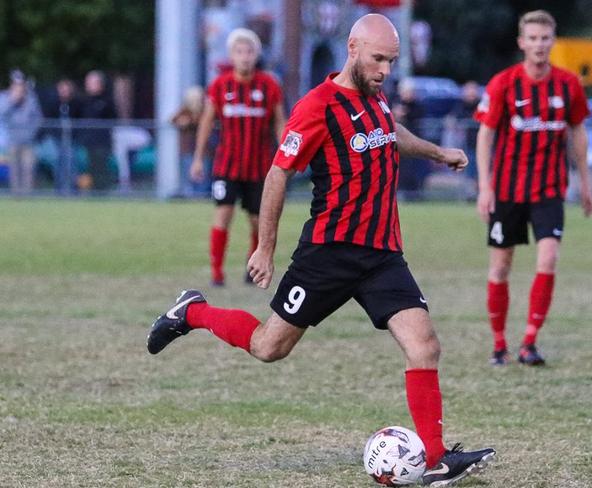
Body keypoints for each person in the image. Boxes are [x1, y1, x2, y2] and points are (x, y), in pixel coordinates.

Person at [148, 14, 495, 486]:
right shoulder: (317, 106)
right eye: (378, 59)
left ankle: (434, 459)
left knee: (425, 346)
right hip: (327, 254)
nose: (385, 70)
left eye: (391, 62)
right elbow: (277, 174)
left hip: (382, 255)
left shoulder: (376, 97)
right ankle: (192, 312)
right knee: (269, 347)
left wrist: (438, 152)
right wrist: (265, 248)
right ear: (352, 48)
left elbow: (391, 133)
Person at [474, 10, 592, 367]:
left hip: (549, 189)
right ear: (521, 42)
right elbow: (486, 134)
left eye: (545, 38)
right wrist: (485, 186)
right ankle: (499, 344)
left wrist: (585, 181)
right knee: (500, 267)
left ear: (552, 41)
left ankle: (529, 342)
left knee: (549, 257)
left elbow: (577, 131)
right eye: (533, 38)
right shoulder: (503, 83)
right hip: (508, 190)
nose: (539, 45)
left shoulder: (568, 84)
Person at [190, 28, 286, 286]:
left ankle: (252, 267)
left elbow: (280, 123)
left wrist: (288, 155)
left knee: (258, 220)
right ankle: (217, 272)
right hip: (227, 165)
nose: (244, 57)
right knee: (223, 213)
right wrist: (198, 158)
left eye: (249, 52)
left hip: (260, 167)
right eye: (239, 52)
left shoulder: (269, 86)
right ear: (232, 55)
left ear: (256, 55)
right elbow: (207, 123)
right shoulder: (220, 85)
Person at [0, 69, 43, 194]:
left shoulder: (30, 98)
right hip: (12, 140)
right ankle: (16, 194)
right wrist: (13, 101)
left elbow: (38, 117)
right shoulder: (5, 97)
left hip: (28, 140)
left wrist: (31, 133)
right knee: (14, 168)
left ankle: (27, 194)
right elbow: (2, 113)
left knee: (28, 168)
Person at [78, 70, 117, 191]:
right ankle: (93, 190)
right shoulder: (84, 101)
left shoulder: (107, 101)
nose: (88, 85)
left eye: (91, 82)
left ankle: (103, 190)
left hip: (102, 142)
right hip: (89, 142)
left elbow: (113, 118)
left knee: (101, 166)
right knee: (91, 167)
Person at [171, 85, 209, 198]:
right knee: (188, 175)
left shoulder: (205, 110)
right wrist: (182, 122)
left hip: (204, 150)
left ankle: (202, 195)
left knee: (203, 176)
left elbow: (205, 122)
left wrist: (191, 121)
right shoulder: (185, 110)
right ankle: (190, 195)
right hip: (187, 149)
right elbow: (173, 120)